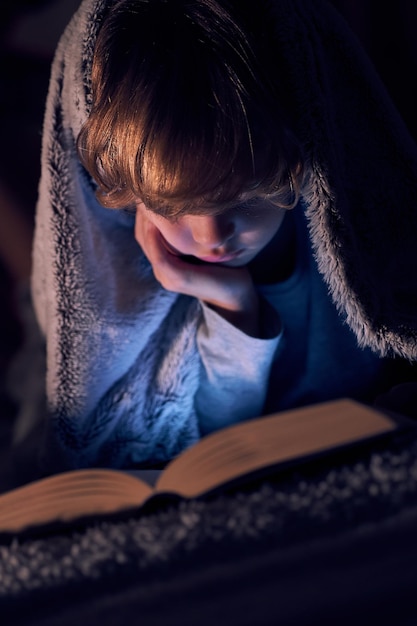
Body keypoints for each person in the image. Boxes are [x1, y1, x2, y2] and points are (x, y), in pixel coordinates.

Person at [31, 0, 417, 473]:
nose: (213, 237)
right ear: (128, 196)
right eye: (172, 209)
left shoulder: (354, 240)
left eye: (246, 199)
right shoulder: (145, 281)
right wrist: (234, 309)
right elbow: (215, 445)